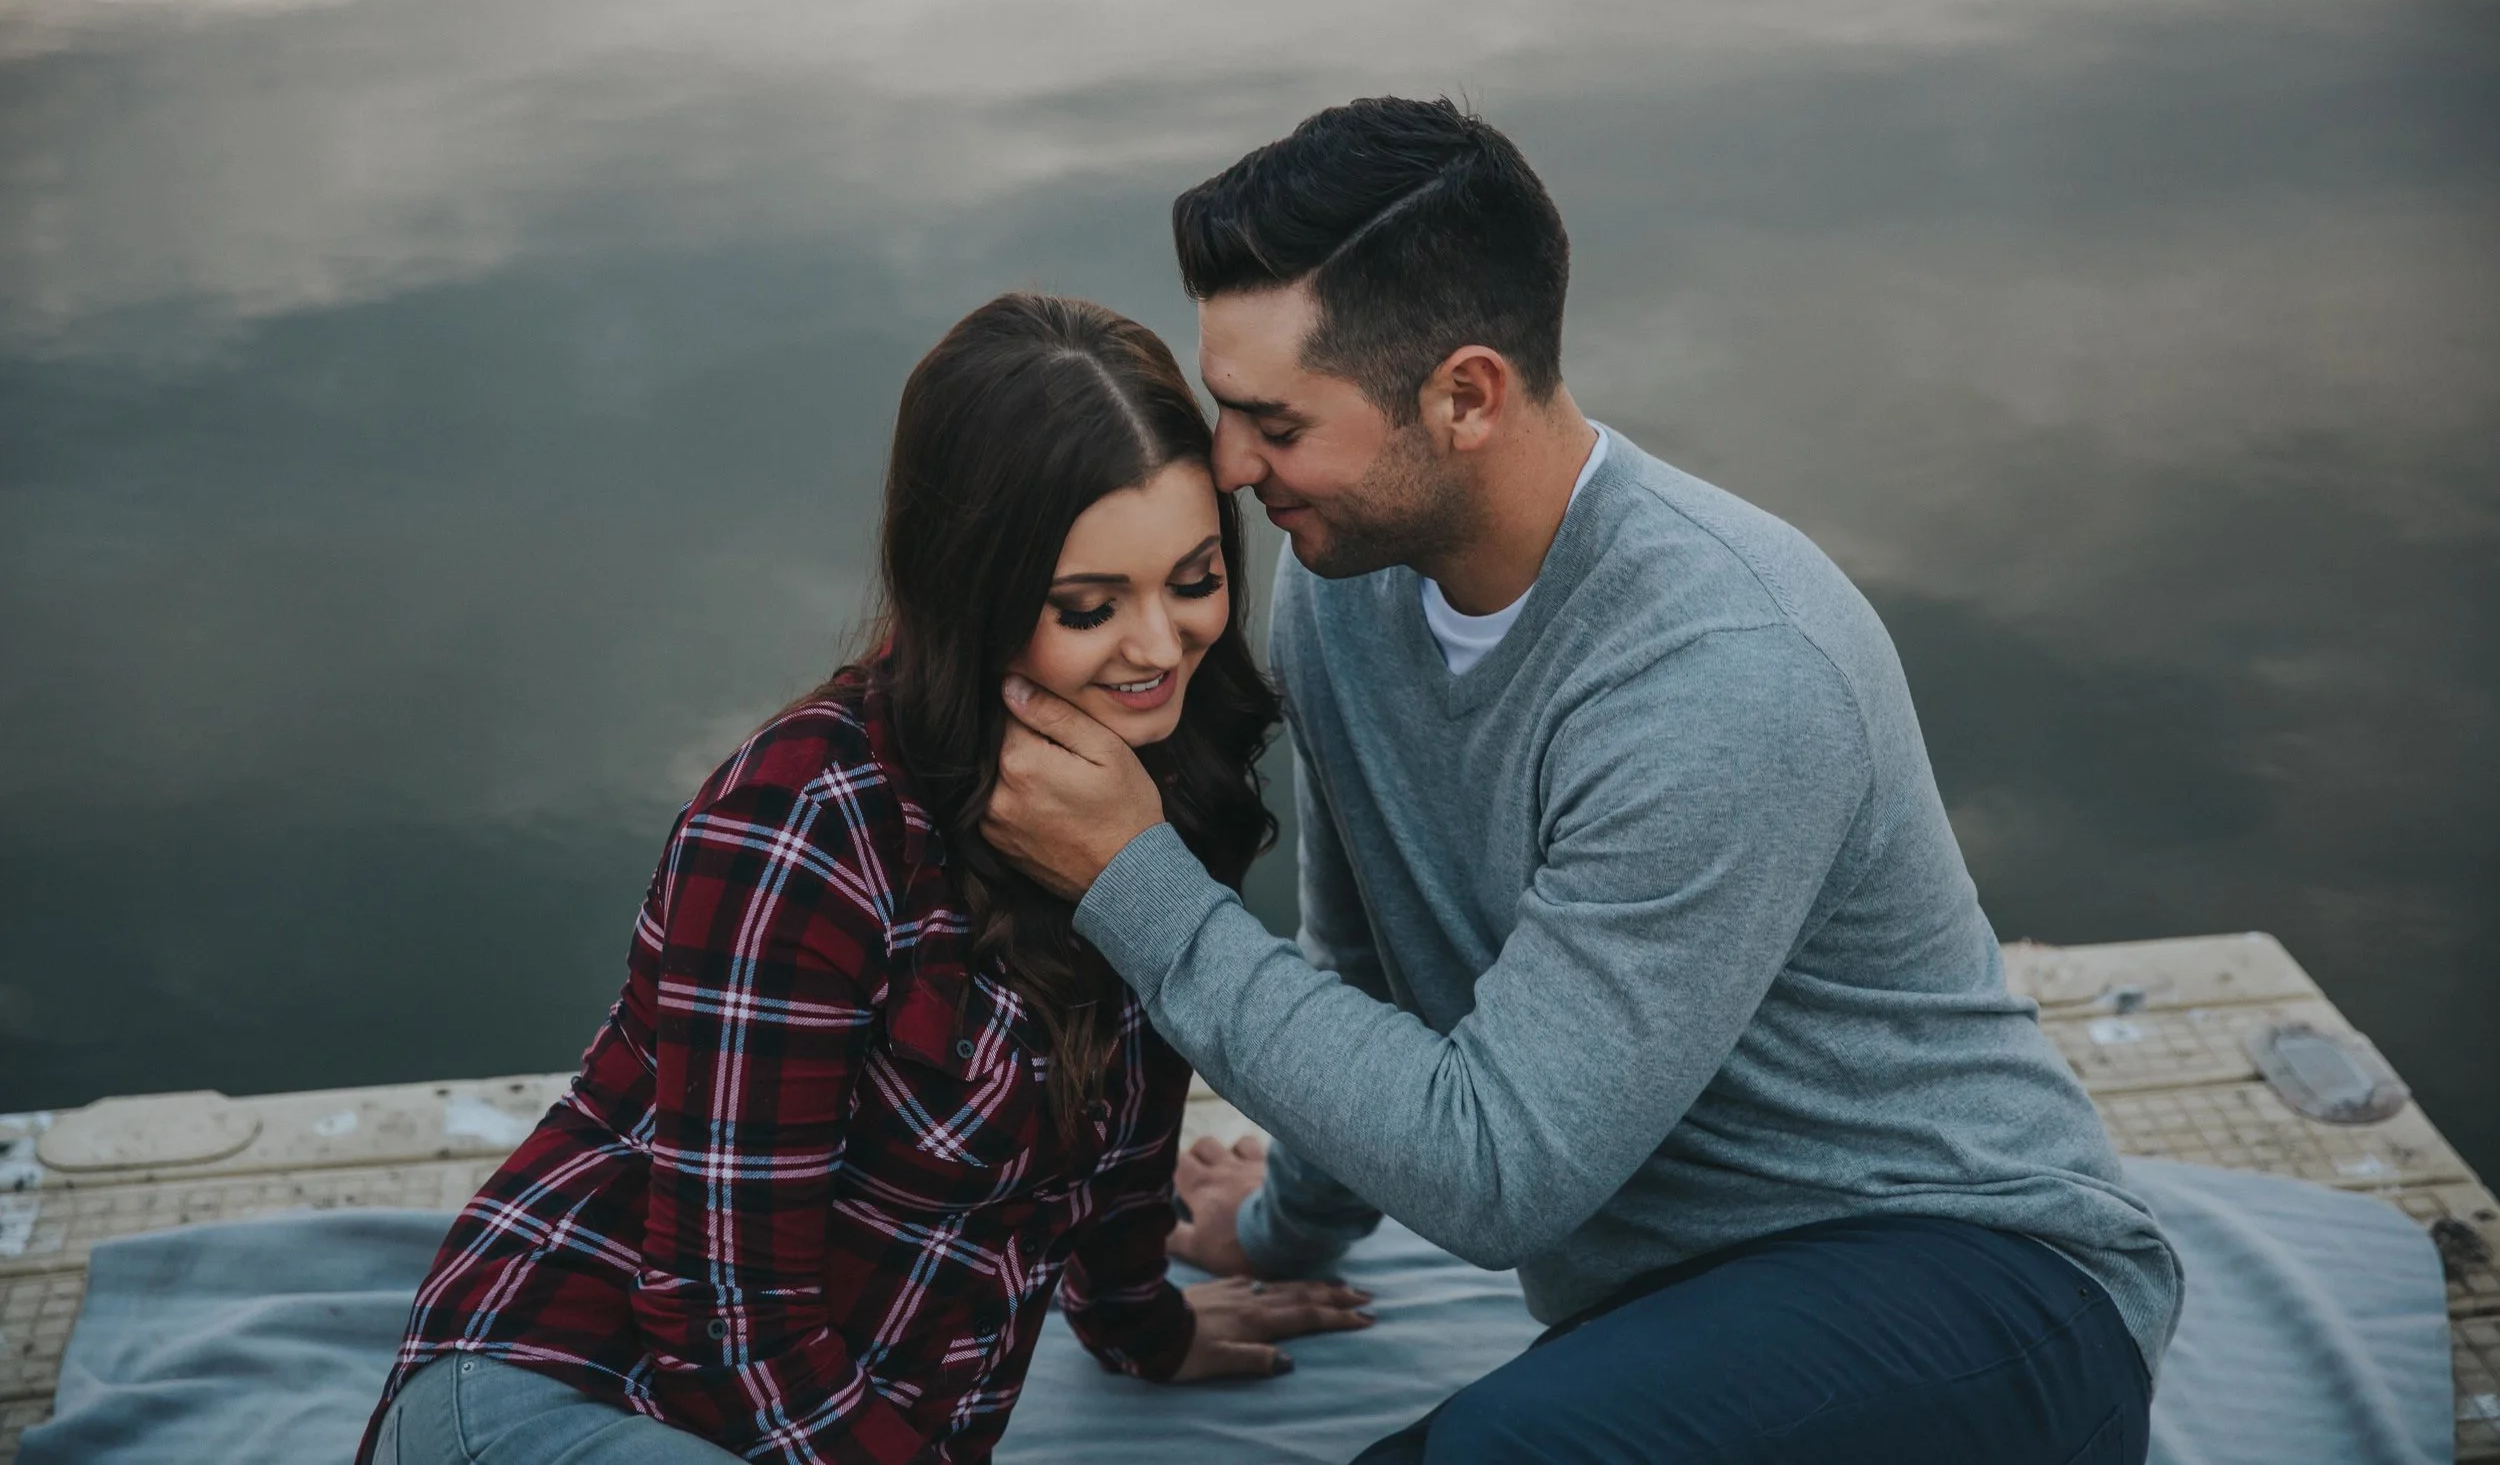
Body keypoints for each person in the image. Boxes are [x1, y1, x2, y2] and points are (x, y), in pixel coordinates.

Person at [980, 98, 2185, 1465]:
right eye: (1225, 412)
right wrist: (1281, 1227)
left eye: (1275, 422)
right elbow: (1362, 966)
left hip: (1973, 1286)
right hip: (1676, 1316)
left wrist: (1134, 883)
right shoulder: (1345, 592)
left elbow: (1500, 1174)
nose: (1230, 468)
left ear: (1468, 395)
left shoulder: (1725, 673)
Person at [360, 293, 1373, 1465]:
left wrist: (1141, 1324)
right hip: (577, 1388)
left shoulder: (1154, 772)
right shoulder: (798, 830)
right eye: (1087, 607)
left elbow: (1121, 1123)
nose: (1157, 647)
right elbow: (728, 1324)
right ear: (971, 589)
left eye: (1193, 578)